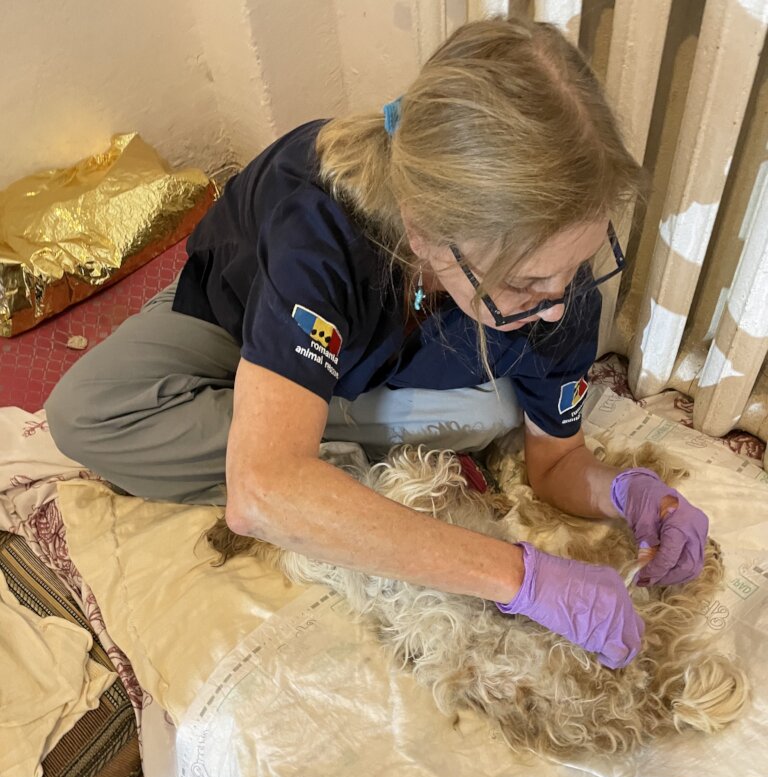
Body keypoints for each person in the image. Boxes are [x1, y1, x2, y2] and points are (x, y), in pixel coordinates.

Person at [45, 15, 708, 670]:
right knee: (84, 412)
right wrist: (520, 577)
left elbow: (556, 463)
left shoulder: (558, 292)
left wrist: (630, 494)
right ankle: (314, 441)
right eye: (530, 281)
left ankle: (307, 440)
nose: (560, 303)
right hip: (240, 325)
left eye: (579, 264)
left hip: (386, 371)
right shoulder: (316, 224)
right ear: (424, 232)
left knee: (495, 414)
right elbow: (260, 495)